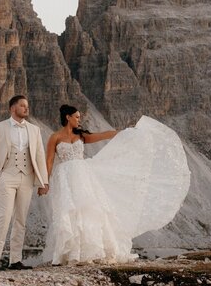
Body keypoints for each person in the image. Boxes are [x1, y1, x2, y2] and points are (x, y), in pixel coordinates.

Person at [42, 105, 191, 265]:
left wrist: (124, 132)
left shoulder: (82, 136)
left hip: (83, 175)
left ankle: (90, 252)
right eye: (77, 117)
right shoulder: (55, 137)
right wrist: (45, 182)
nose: (79, 120)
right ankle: (71, 253)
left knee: (90, 209)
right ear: (68, 117)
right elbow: (49, 160)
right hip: (65, 177)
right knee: (70, 210)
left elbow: (103, 135)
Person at [0, 95, 48, 270]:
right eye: (22, 105)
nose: (26, 108)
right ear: (13, 108)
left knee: (20, 220)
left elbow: (40, 156)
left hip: (26, 179)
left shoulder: (34, 130)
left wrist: (44, 182)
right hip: (6, 177)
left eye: (27, 105)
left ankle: (15, 260)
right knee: (3, 217)